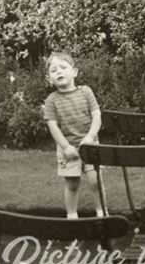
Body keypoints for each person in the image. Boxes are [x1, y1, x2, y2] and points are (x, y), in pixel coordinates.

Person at [43, 52, 102, 219]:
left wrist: (90, 137)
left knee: (95, 181)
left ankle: (102, 212)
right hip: (67, 148)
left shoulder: (86, 92)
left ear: (74, 72)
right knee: (72, 183)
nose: (59, 72)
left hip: (90, 144)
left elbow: (96, 115)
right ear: (49, 78)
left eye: (63, 67)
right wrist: (66, 146)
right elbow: (52, 126)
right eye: (54, 70)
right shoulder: (52, 100)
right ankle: (71, 215)